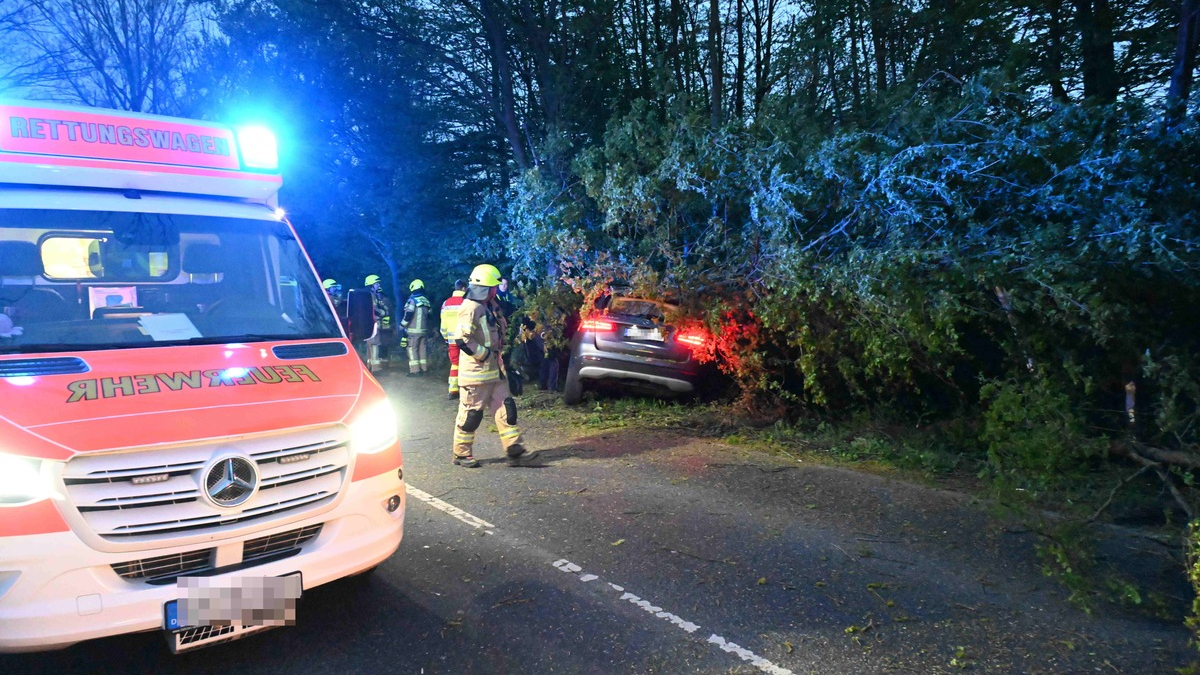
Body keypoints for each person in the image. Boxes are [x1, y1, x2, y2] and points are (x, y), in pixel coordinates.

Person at [451, 264, 537, 468]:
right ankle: (461, 454)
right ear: (486, 288)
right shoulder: (470, 308)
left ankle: (514, 450)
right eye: (493, 287)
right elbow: (462, 339)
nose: (496, 290)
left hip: (495, 371)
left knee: (506, 409)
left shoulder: (490, 305)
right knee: (471, 414)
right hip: (476, 374)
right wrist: (486, 355)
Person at [440, 279, 467, 399]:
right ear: (464, 288)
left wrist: (446, 337)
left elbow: (443, 325)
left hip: (451, 339)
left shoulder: (446, 303)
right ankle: (466, 389)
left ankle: (453, 390)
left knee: (455, 364)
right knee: (468, 363)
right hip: (466, 339)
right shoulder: (467, 302)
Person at [401, 279, 433, 377]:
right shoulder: (426, 301)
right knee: (422, 349)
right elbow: (430, 316)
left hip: (414, 331)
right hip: (424, 330)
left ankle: (415, 371)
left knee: (412, 349)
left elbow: (409, 313)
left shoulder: (412, 300)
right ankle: (424, 369)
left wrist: (402, 325)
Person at [364, 274, 392, 372]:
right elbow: (374, 309)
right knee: (375, 344)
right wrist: (383, 312)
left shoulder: (370, 295)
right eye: (377, 283)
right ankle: (375, 367)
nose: (379, 285)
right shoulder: (371, 296)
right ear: (371, 285)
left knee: (370, 345)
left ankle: (370, 366)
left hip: (369, 324)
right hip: (373, 324)